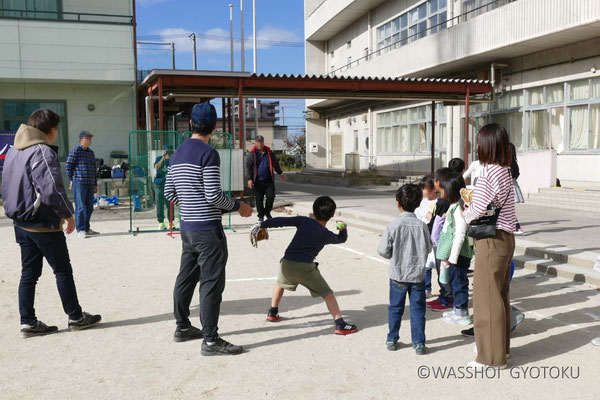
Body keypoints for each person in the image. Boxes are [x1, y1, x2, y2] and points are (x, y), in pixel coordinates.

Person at [1, 109, 101, 338]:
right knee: (62, 271)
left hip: (20, 222)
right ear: (51, 129)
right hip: (42, 224)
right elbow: (52, 189)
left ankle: (28, 322)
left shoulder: (15, 151)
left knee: (29, 274)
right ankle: (76, 317)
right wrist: (68, 214)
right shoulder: (42, 151)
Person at [164, 102, 253, 356]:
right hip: (207, 229)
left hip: (188, 227)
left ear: (191, 124)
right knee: (211, 284)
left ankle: (182, 327)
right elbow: (214, 195)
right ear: (214, 127)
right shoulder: (208, 154)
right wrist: (238, 206)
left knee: (186, 277)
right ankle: (211, 340)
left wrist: (191, 202)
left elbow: (170, 193)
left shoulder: (177, 153)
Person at [259, 196, 357, 335]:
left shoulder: (304, 220)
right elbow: (342, 239)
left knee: (280, 283)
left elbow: (281, 221)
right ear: (332, 214)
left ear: (314, 211)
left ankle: (272, 312)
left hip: (286, 263)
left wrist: (263, 224)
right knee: (327, 294)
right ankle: (340, 324)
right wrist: (343, 229)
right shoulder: (326, 234)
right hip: (304, 268)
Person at [463, 123, 516, 369]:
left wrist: (463, 215)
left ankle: (491, 358)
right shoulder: (506, 171)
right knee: (500, 295)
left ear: (486, 145)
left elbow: (478, 207)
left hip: (490, 239)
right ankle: (501, 350)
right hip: (506, 236)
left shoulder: (489, 173)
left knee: (486, 298)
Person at [378, 184, 432, 354]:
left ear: (398, 204)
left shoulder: (393, 226)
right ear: (418, 205)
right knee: (418, 310)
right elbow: (429, 248)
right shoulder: (422, 225)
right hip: (417, 275)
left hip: (398, 274)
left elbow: (383, 250)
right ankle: (419, 343)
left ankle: (392, 339)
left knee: (395, 308)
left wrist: (394, 255)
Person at [436, 172, 473, 325]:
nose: (440, 191)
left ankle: (462, 312)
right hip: (454, 254)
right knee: (455, 281)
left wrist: (452, 258)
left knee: (459, 283)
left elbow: (460, 235)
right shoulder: (454, 206)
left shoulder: (459, 209)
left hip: (458, 255)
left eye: (442, 189)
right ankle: (458, 309)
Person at [426, 167, 454, 312]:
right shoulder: (441, 200)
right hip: (437, 241)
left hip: (441, 242)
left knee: (444, 272)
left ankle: (447, 299)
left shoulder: (445, 202)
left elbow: (439, 224)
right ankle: (444, 295)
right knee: (440, 271)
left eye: (436, 180)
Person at [65, 130, 99, 237]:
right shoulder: (76, 151)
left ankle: (86, 228)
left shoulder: (91, 153)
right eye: (86, 138)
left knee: (89, 207)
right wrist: (71, 179)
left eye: (90, 138)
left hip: (89, 183)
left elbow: (94, 169)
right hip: (79, 182)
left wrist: (95, 183)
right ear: (80, 140)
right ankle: (80, 229)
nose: (89, 140)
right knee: (80, 206)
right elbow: (68, 166)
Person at [245, 135, 285, 222]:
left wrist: (280, 173)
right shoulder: (252, 154)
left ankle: (267, 212)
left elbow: (275, 163)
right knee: (259, 200)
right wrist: (249, 179)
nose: (260, 144)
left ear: (263, 142)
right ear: (255, 143)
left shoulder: (269, 153)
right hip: (257, 181)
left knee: (271, 197)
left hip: (269, 180)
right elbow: (248, 167)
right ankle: (261, 215)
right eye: (258, 142)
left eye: (261, 142)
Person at [414, 175, 437, 299]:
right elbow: (417, 214)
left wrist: (431, 218)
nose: (423, 192)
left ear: (434, 189)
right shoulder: (422, 202)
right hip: (422, 235)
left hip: (434, 236)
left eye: (425, 189)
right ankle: (427, 288)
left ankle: (446, 291)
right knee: (426, 264)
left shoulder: (438, 202)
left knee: (438, 264)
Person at [154, 144, 173, 230]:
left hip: (169, 185)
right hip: (159, 184)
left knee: (170, 204)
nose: (168, 153)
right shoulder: (159, 159)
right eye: (167, 151)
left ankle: (171, 222)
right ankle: (161, 222)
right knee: (159, 203)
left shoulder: (173, 160)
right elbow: (156, 167)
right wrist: (163, 158)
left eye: (170, 151)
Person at [509, 143, 525, 235]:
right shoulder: (514, 161)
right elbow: (517, 173)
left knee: (508, 209)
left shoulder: (508, 161)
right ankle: (515, 227)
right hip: (513, 184)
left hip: (509, 186)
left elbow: (513, 173)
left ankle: (517, 227)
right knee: (509, 208)